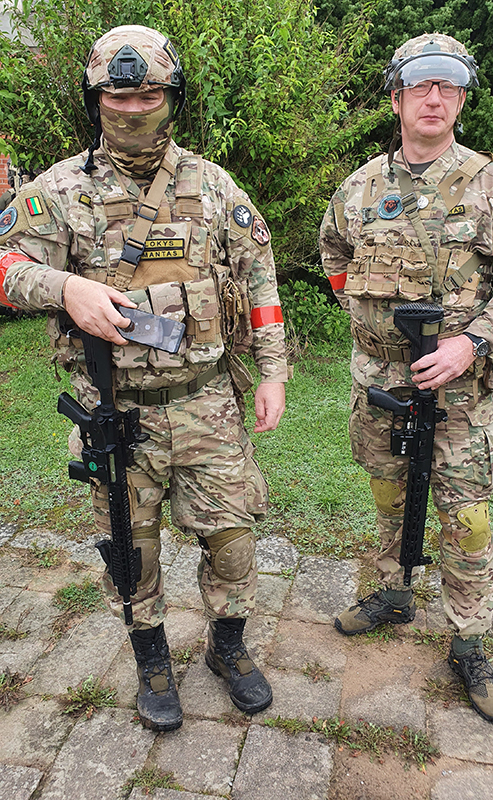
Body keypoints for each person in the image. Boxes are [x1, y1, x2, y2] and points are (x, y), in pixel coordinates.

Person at [0, 25, 288, 731]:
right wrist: (66, 287)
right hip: (116, 411)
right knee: (132, 549)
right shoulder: (58, 190)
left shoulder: (212, 185)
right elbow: (5, 265)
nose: (133, 109)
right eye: (118, 96)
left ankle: (228, 646)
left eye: (148, 95)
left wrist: (273, 372)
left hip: (205, 404)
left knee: (233, 540)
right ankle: (151, 658)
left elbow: (259, 277)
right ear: (95, 100)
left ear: (172, 98)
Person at [320, 33, 493, 723]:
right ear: (397, 99)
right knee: (387, 492)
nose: (434, 97)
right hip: (381, 386)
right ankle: (392, 591)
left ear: (461, 99)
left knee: (467, 516)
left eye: (448, 86)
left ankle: (470, 639)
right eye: (420, 86)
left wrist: (471, 343)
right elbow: (334, 257)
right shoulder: (359, 188)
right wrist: (374, 331)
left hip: (459, 390)